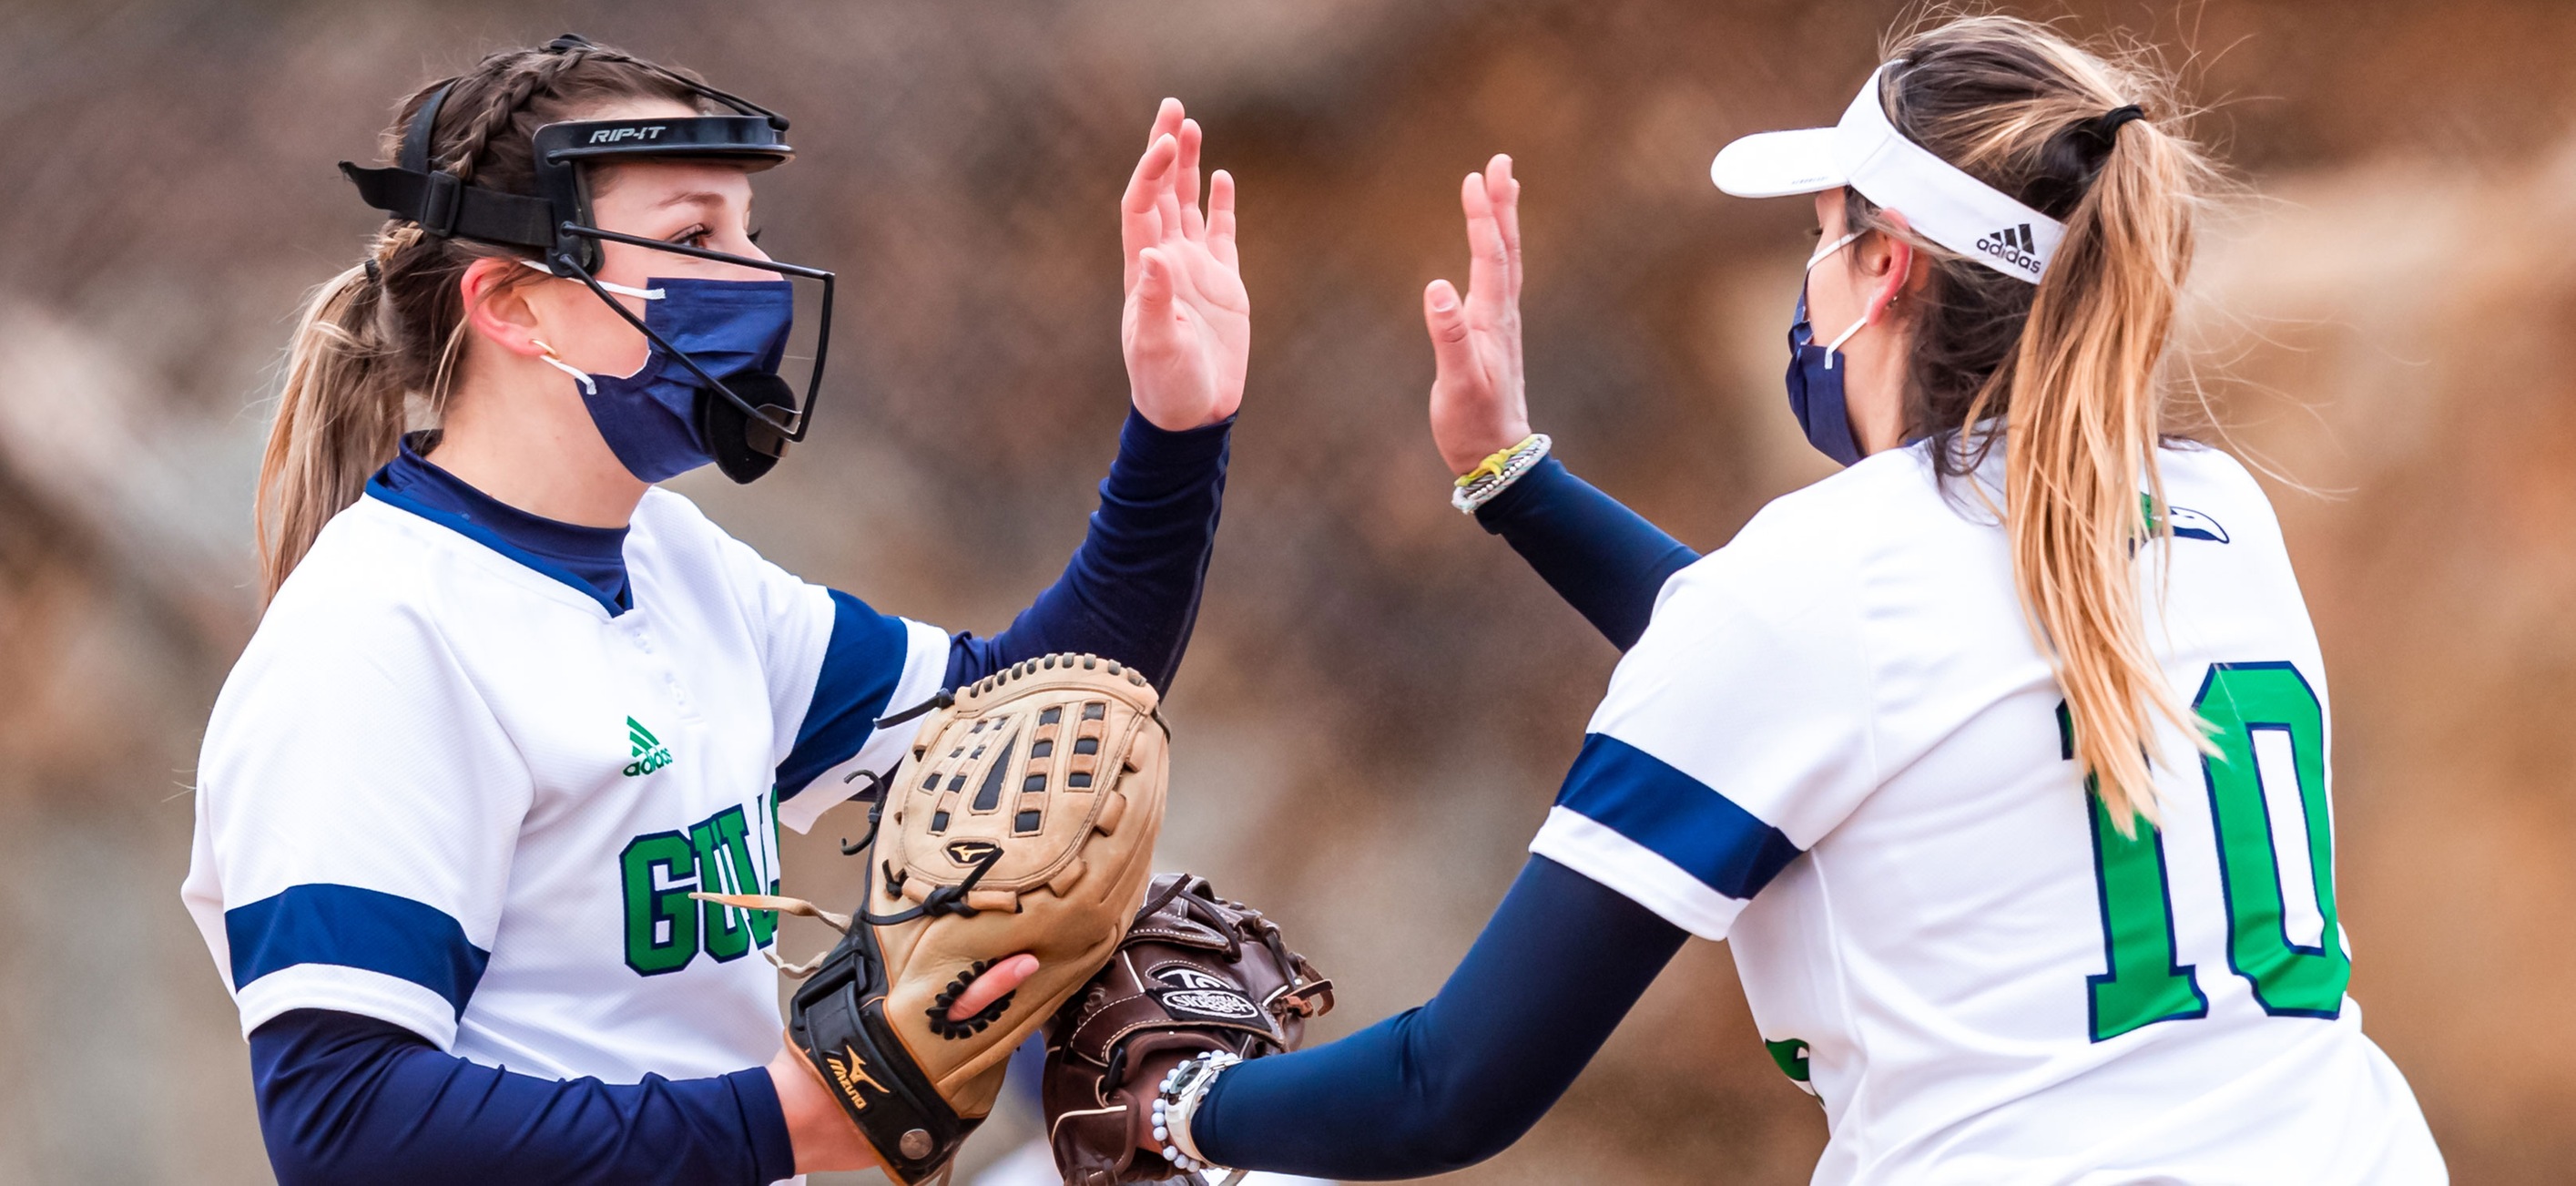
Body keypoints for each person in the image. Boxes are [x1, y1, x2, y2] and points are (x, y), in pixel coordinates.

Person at [1136, 15, 2446, 1184]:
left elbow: (1446, 1089)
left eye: (1825, 234)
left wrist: (1174, 1100)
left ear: (1889, 273)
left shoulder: (1820, 582)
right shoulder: (2220, 516)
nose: (1809, 277)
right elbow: (1833, 669)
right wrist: (1510, 474)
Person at [179, 35, 1250, 1184]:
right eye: (694, 238)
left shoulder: (676, 562)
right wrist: (786, 1119)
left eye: (748, 231)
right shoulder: (379, 637)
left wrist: (1176, 431)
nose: (756, 274)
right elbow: (342, 1126)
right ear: (513, 306)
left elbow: (1038, 719)